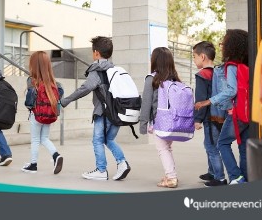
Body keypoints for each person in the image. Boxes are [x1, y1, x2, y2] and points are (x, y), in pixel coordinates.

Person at [61, 36, 131, 181]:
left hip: (103, 112)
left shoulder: (97, 69)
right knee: (109, 139)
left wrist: (66, 100)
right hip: (117, 111)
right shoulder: (115, 69)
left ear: (96, 53)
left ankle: (101, 170)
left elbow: (86, 87)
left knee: (97, 140)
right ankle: (122, 163)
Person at [195, 29, 249, 185]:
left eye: (224, 43)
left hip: (237, 113)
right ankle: (245, 178)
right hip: (249, 113)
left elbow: (231, 90)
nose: (222, 45)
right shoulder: (247, 65)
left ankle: (236, 176)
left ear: (231, 46)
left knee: (222, 143)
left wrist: (208, 101)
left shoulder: (231, 66)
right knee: (243, 146)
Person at [139, 47, 182, 188]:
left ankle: (171, 178)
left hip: (161, 120)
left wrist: (143, 124)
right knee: (167, 148)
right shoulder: (175, 79)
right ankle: (171, 174)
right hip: (174, 120)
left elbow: (146, 102)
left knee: (162, 149)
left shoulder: (152, 79)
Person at [21, 51, 64, 174]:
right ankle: (56, 155)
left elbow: (29, 102)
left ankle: (33, 164)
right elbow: (60, 95)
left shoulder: (32, 81)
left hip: (37, 115)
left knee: (35, 139)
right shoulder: (54, 83)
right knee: (44, 138)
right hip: (49, 114)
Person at [192, 41, 226, 187]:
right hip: (220, 115)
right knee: (210, 144)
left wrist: (197, 119)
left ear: (203, 57)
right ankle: (211, 172)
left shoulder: (202, 75)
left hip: (208, 117)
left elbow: (201, 99)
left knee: (212, 146)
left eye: (194, 56)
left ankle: (220, 178)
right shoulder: (218, 73)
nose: (194, 60)